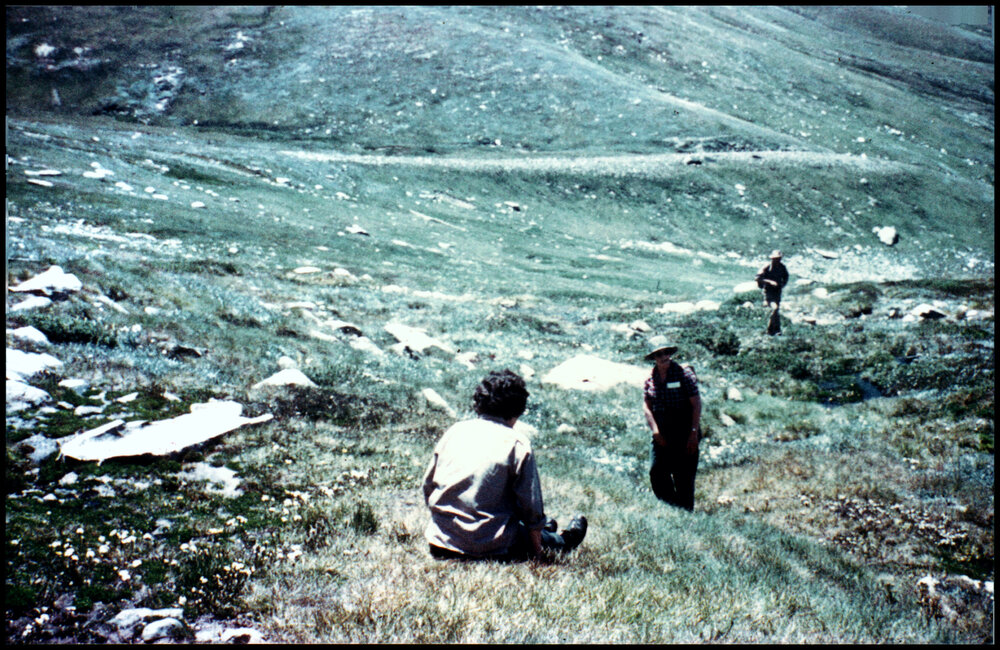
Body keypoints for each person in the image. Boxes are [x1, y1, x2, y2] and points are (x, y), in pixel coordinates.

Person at [423, 369, 588, 561]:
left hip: (440, 543)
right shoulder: (518, 444)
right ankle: (563, 540)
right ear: (518, 409)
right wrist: (537, 553)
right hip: (490, 547)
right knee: (536, 537)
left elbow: (428, 486)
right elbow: (531, 509)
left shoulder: (455, 431)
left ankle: (543, 530)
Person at [641, 336, 702, 511]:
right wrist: (655, 431)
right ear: (654, 357)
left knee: (684, 477)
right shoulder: (650, 379)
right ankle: (672, 508)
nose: (664, 356)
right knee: (657, 472)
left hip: (684, 430)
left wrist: (693, 433)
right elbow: (647, 406)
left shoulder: (684, 374)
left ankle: (685, 515)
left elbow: (696, 403)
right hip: (662, 432)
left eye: (666, 352)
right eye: (659, 354)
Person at [755, 250, 789, 335]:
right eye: (775, 259)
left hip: (777, 292)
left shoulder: (782, 267)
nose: (777, 260)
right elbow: (757, 278)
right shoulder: (766, 267)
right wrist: (769, 282)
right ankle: (771, 330)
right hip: (768, 291)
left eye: (778, 259)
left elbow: (786, 276)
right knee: (774, 308)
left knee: (775, 310)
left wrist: (782, 284)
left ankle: (775, 330)